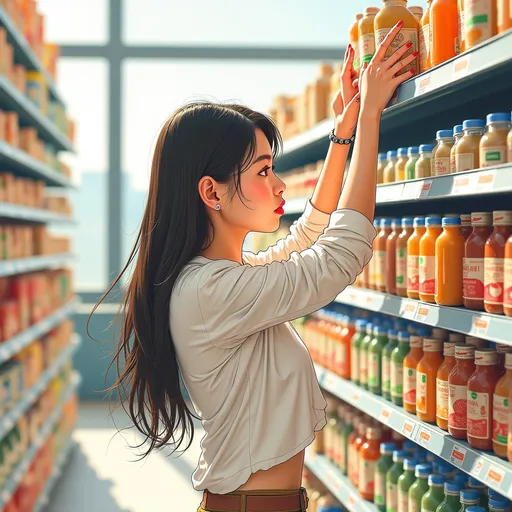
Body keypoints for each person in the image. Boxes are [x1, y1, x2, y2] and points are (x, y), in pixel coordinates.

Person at [91, 20, 417, 512]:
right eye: (263, 171)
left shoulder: (220, 279)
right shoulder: (209, 291)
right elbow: (339, 254)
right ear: (212, 192)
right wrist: (372, 115)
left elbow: (309, 236)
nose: (280, 184)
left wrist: (344, 133)